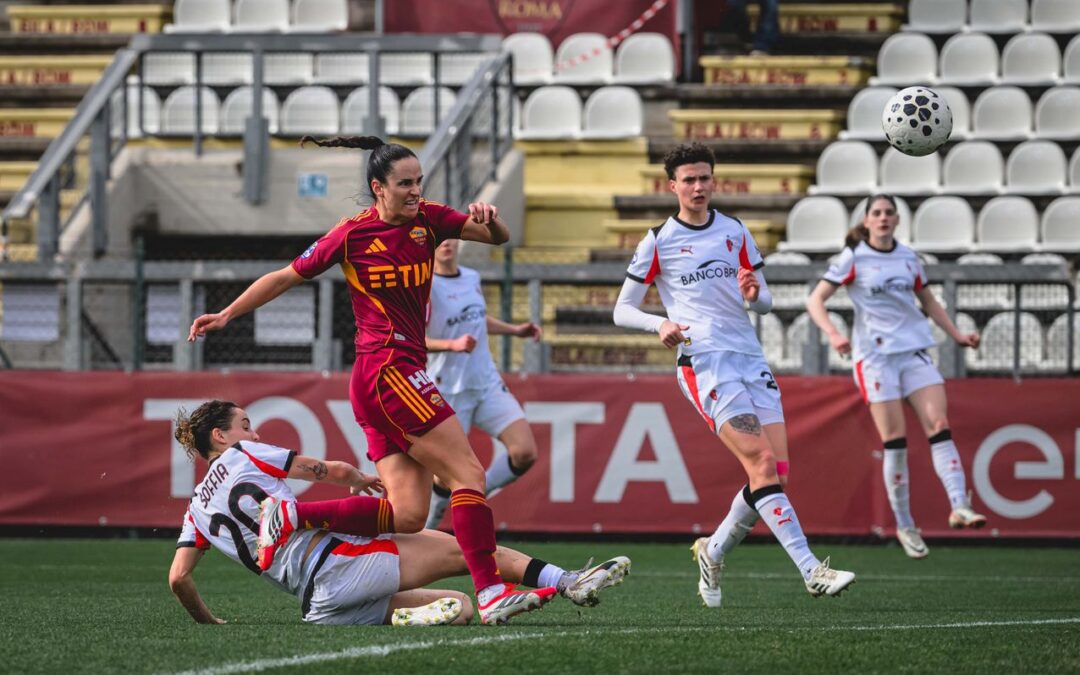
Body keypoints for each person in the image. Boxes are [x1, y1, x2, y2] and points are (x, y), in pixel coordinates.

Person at [187, 135, 582, 624]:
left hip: (383, 378)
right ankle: (490, 591)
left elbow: (497, 238)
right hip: (389, 370)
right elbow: (286, 276)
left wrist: (489, 217)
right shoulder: (351, 234)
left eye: (419, 181)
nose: (416, 190)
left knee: (409, 513)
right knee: (468, 476)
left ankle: (292, 516)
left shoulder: (430, 219)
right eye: (405, 183)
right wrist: (227, 313)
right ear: (378, 187)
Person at [612, 141, 855, 608]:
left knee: (775, 474)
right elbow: (622, 309)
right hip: (705, 362)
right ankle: (812, 570)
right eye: (689, 180)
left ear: (713, 180)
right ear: (673, 186)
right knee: (761, 464)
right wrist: (658, 324)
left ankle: (713, 550)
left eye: (704, 177)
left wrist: (753, 294)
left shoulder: (735, 230)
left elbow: (764, 302)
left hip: (749, 358)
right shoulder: (658, 239)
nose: (698, 186)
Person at [168, 400, 632, 625]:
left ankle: (402, 617)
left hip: (318, 606)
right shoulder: (243, 454)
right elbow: (330, 470)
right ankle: (567, 581)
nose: (254, 433)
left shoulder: (195, 511)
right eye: (245, 425)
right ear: (221, 437)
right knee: (466, 550)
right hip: (341, 565)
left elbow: (179, 579)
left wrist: (208, 621)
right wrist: (358, 478)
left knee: (460, 608)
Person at [806, 195, 987, 560]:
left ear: (898, 220)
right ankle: (905, 524)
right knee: (896, 441)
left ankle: (959, 505)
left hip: (914, 351)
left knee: (939, 424)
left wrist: (956, 335)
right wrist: (834, 334)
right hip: (875, 360)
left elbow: (928, 300)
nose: (883, 218)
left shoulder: (908, 257)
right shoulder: (854, 257)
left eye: (889, 212)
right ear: (867, 221)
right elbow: (815, 300)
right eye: (877, 213)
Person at [423, 238, 542, 529]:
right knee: (444, 477)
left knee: (524, 452)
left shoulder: (471, 277)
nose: (446, 243)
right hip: (448, 389)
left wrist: (514, 330)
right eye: (439, 238)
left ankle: (472, 496)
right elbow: (414, 338)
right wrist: (451, 345)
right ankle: (428, 529)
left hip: (486, 382)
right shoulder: (425, 286)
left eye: (451, 237)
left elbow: (475, 317)